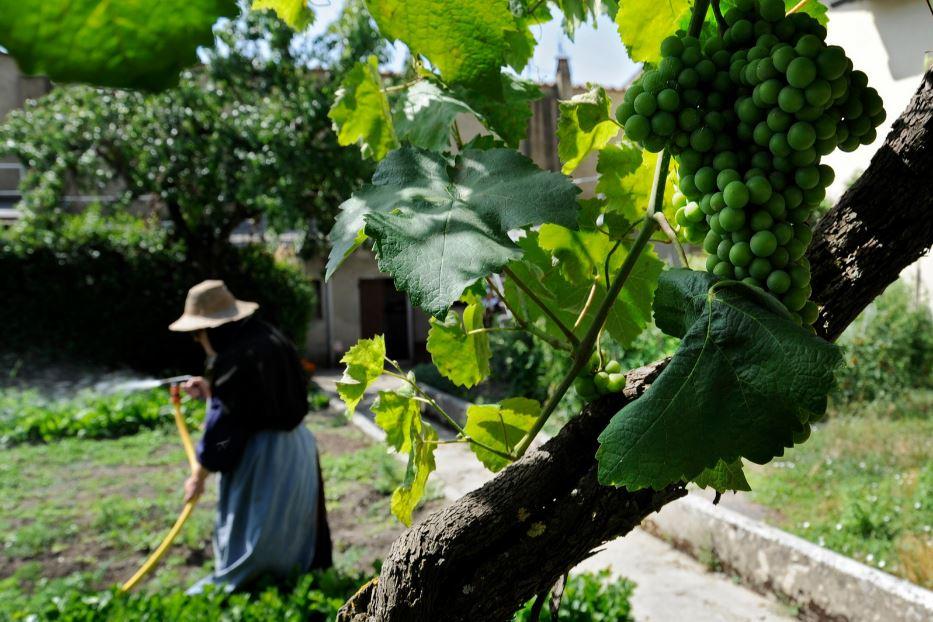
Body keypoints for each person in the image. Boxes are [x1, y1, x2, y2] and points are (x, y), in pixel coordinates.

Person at [168, 279, 331, 593]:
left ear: (210, 329)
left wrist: (198, 477)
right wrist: (213, 393)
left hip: (263, 458)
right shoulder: (269, 337)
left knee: (255, 532)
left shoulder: (236, 357)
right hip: (297, 450)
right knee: (292, 529)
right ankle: (295, 584)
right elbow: (254, 401)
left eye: (197, 335)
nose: (198, 342)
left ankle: (252, 589)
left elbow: (224, 429)